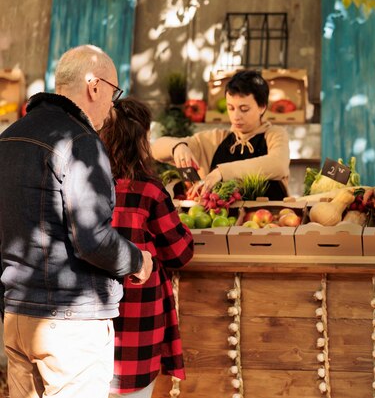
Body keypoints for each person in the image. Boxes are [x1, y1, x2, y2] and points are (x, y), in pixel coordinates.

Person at [0, 45, 153, 398]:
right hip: (70, 324)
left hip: (17, 316)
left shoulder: (8, 138)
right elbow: (93, 239)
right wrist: (137, 260)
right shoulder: (82, 141)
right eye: (114, 93)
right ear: (94, 86)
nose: (113, 105)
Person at [99, 97, 194, 397]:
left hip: (94, 319)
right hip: (139, 319)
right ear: (141, 141)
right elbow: (181, 253)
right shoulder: (150, 191)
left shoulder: (85, 185)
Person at [152, 70, 290, 200]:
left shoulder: (275, 135)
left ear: (262, 107)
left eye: (244, 109)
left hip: (273, 220)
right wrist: (177, 147)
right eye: (230, 108)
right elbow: (155, 148)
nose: (236, 116)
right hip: (221, 222)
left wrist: (221, 173)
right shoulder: (214, 139)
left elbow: (278, 164)